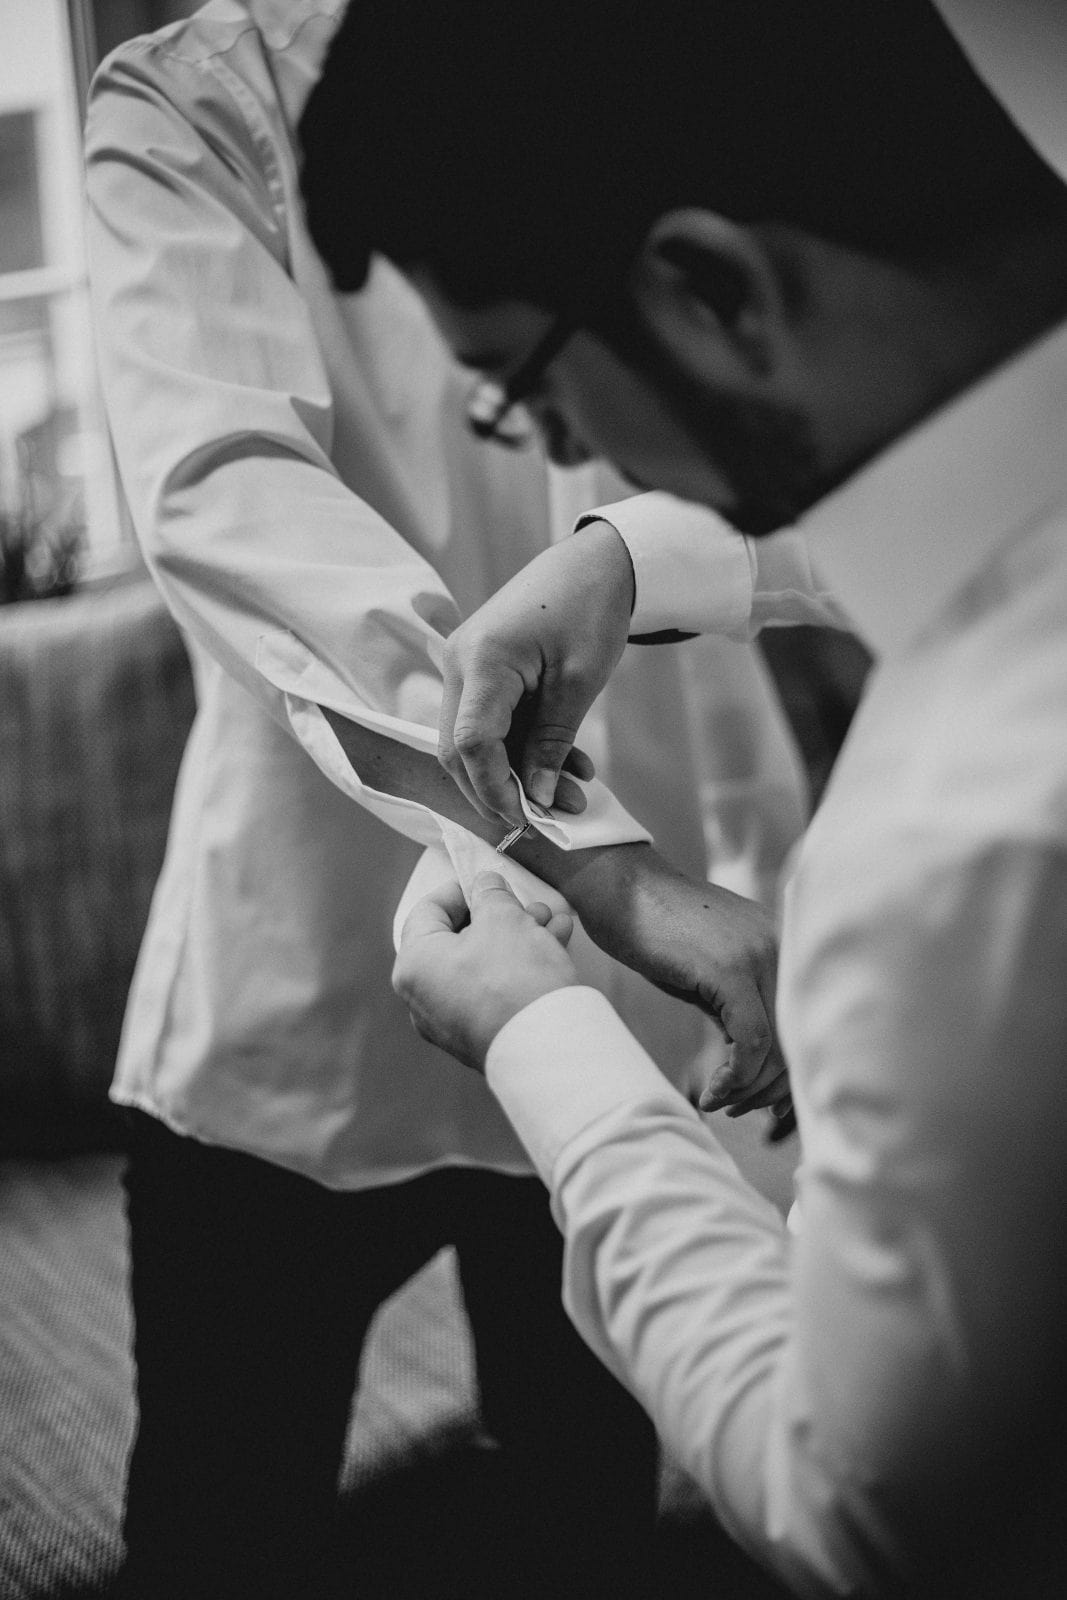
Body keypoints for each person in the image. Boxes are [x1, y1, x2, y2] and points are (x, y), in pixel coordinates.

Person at [300, 2, 1067, 1594]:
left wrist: (541, 1038)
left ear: (712, 287)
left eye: (525, 385)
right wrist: (633, 555)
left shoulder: (960, 839)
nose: (562, 448)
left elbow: (864, 1516)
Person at [83, 3, 807, 1596]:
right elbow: (236, 507)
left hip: (627, 1005)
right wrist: (604, 863)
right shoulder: (193, 99)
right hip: (312, 980)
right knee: (221, 1521)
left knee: (586, 1516)